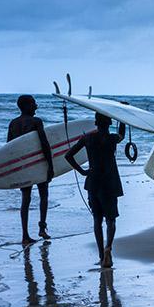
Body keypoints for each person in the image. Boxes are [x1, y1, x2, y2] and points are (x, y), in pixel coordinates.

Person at [65, 113, 125, 267]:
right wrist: (123, 115)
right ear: (110, 123)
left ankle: (100, 255)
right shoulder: (112, 139)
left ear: (96, 123)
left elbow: (68, 156)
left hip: (93, 182)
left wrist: (83, 172)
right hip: (110, 183)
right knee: (111, 220)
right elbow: (121, 135)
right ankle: (108, 249)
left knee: (97, 220)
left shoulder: (87, 138)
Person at [7, 95, 54, 245]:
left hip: (23, 165)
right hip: (38, 163)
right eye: (33, 104)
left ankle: (25, 235)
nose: (36, 106)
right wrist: (50, 165)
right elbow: (44, 143)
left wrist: (13, 168)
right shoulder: (36, 121)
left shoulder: (13, 123)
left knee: (25, 200)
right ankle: (42, 228)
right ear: (26, 106)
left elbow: (8, 147)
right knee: (43, 195)